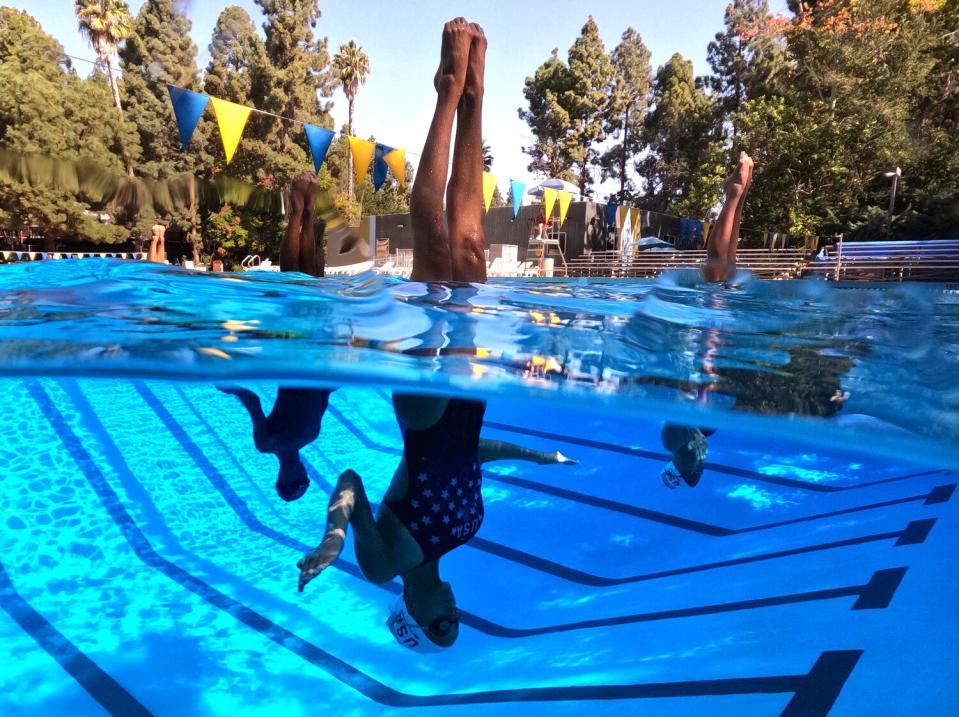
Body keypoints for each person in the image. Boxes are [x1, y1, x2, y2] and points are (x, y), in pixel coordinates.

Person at [296, 19, 575, 652]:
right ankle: (476, 97)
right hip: (470, 408)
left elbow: (350, 482)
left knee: (435, 250)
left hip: (423, 416)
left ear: (412, 619)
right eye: (457, 621)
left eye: (442, 623)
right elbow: (471, 462)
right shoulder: (468, 534)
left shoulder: (382, 565)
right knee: (472, 255)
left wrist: (332, 538)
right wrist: (535, 457)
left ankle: (445, 93)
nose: (454, 610)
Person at [219, 173, 333, 501]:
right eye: (303, 483)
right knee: (308, 284)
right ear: (306, 475)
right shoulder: (311, 435)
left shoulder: (267, 444)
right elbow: (323, 394)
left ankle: (300, 213)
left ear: (280, 479)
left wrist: (232, 385)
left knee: (294, 285)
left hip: (296, 354)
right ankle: (306, 214)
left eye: (291, 484)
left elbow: (253, 401)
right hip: (311, 355)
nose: (298, 478)